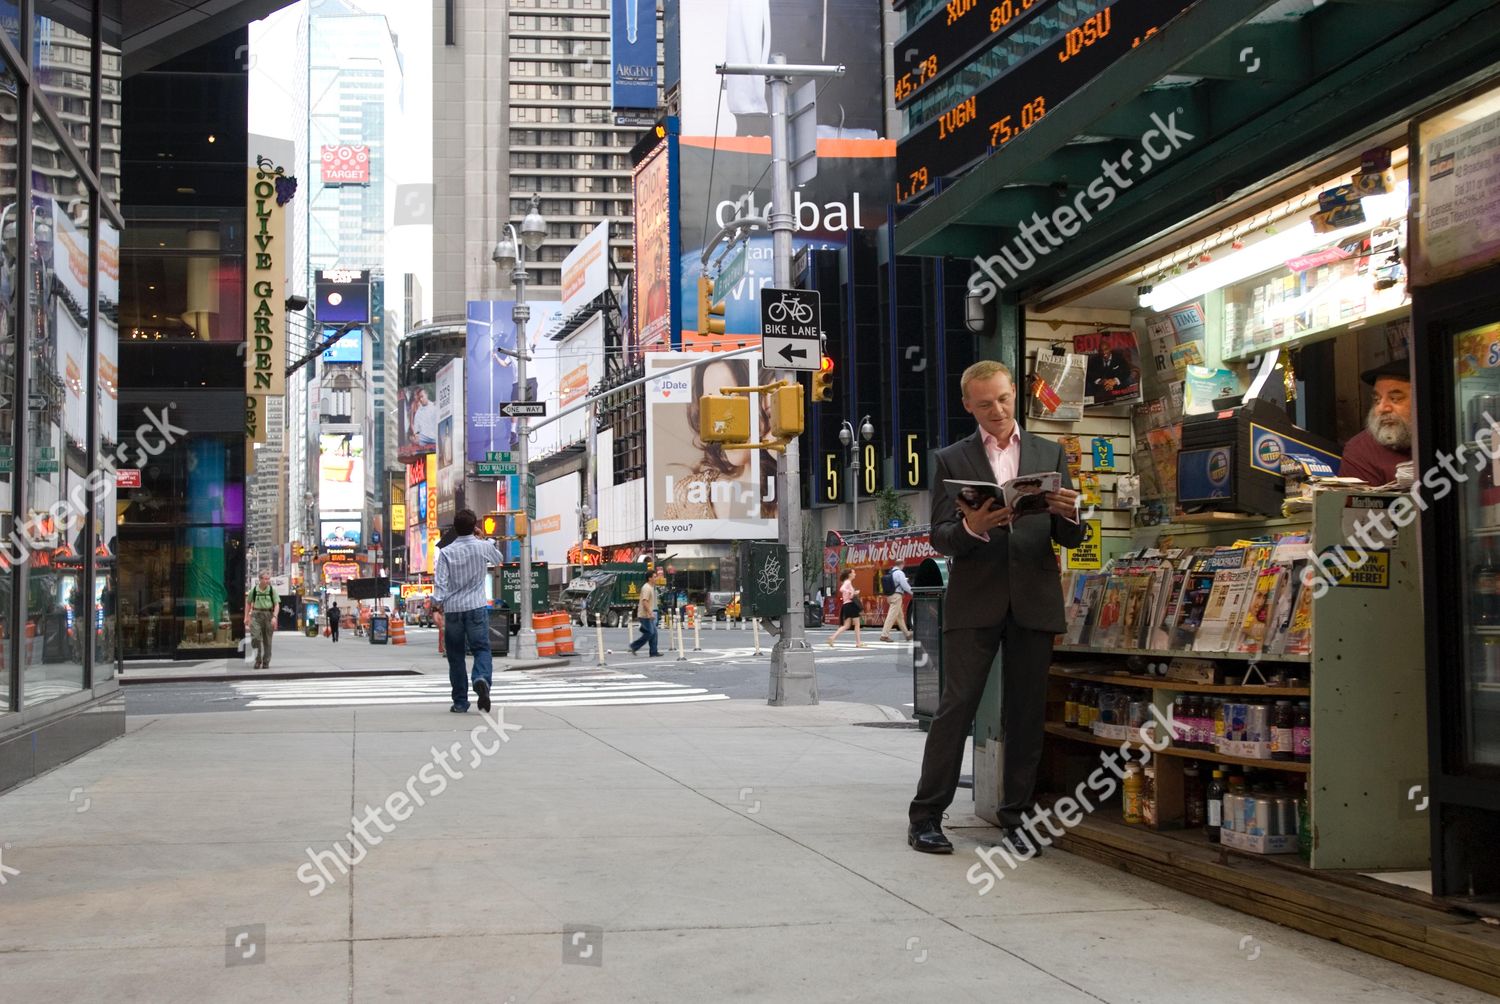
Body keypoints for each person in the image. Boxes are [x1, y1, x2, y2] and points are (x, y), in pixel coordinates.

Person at [908, 360, 1084, 858]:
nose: (998, 410)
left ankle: (1018, 820)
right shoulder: (950, 458)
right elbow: (939, 536)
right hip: (975, 598)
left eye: (1004, 399)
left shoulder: (1049, 452)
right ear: (968, 405)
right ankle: (925, 818)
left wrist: (1072, 512)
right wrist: (973, 526)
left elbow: (1070, 534)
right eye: (985, 404)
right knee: (955, 709)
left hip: (1034, 596)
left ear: (1014, 395)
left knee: (1026, 714)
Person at [433, 509, 504, 714]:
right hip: (476, 607)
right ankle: (481, 678)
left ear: (454, 528)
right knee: (481, 649)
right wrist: (484, 538)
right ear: (474, 527)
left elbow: (441, 585)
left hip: (454, 610)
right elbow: (498, 559)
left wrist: (436, 607)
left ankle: (460, 702)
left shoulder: (446, 551)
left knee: (455, 656)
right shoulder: (482, 547)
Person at [1338, 359, 1412, 486]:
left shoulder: (1453, 436)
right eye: (1377, 400)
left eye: (1395, 399)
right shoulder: (1361, 450)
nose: (1382, 408)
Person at [827, 568, 866, 648]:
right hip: (851, 605)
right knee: (857, 624)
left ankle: (832, 637)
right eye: (853, 572)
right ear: (850, 574)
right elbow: (842, 589)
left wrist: (854, 593)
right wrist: (851, 592)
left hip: (846, 605)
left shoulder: (847, 582)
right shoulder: (847, 582)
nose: (855, 574)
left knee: (846, 625)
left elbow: (847, 593)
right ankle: (858, 643)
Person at [247, 572, 278, 669]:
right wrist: (246, 617)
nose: (267, 581)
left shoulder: (272, 590)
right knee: (255, 637)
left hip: (268, 615)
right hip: (256, 614)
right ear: (260, 579)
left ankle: (266, 662)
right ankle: (258, 659)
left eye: (268, 579)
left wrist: (274, 617)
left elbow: (277, 605)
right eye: (265, 579)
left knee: (267, 640)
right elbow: (248, 603)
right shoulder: (254, 590)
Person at [629, 571, 662, 657]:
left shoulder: (650, 587)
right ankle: (634, 646)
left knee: (654, 632)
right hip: (644, 614)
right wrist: (650, 613)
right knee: (650, 633)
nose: (656, 578)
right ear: (649, 578)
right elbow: (645, 601)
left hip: (647, 614)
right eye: (654, 577)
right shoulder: (647, 588)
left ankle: (654, 652)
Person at [879, 565, 913, 642]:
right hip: (896, 596)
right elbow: (905, 585)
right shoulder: (899, 573)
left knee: (900, 617)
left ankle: (907, 634)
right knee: (892, 615)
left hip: (890, 596)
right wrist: (912, 592)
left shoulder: (891, 573)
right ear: (901, 565)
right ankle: (884, 635)